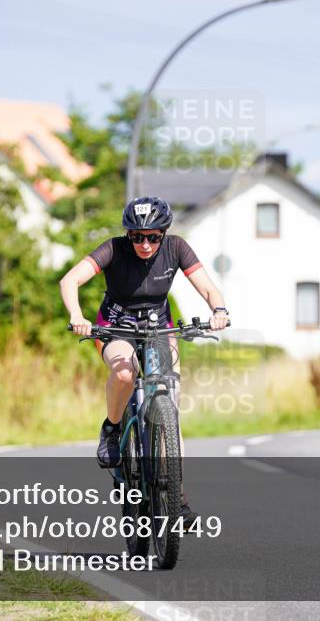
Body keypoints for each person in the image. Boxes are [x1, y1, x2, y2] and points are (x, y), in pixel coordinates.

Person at [59, 196, 228, 519]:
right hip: (116, 327)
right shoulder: (113, 249)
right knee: (124, 374)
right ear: (128, 235)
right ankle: (111, 428)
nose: (146, 244)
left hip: (158, 328)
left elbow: (208, 288)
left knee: (171, 403)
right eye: (137, 236)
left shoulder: (177, 248)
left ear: (163, 234)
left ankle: (177, 499)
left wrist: (218, 310)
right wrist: (77, 314)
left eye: (153, 236)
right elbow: (70, 280)